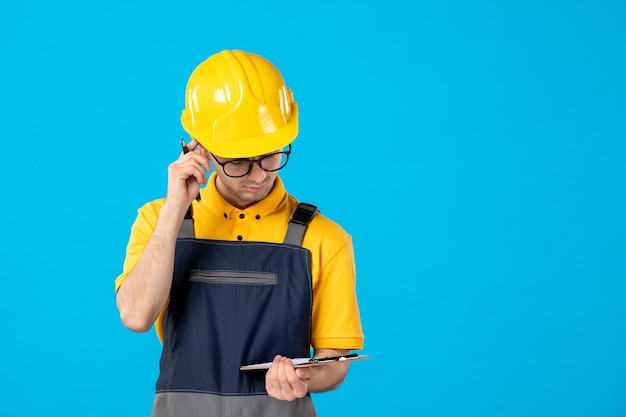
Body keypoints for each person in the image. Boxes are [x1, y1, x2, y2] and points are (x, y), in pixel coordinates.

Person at [114, 49, 364, 417]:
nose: (259, 174)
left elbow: (335, 361)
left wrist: (304, 378)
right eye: (239, 161)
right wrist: (174, 211)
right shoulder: (158, 220)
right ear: (200, 149)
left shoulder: (324, 237)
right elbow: (135, 316)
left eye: (271, 155)